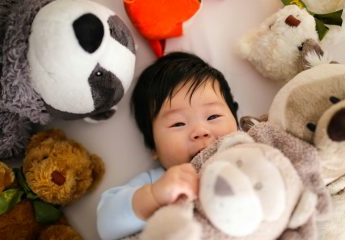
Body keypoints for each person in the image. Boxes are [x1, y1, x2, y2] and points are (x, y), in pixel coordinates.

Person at [97, 52, 239, 239]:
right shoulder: (157, 182)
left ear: (236, 123)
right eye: (178, 124)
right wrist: (154, 196)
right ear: (154, 147)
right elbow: (107, 224)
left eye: (213, 116)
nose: (200, 131)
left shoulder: (253, 150)